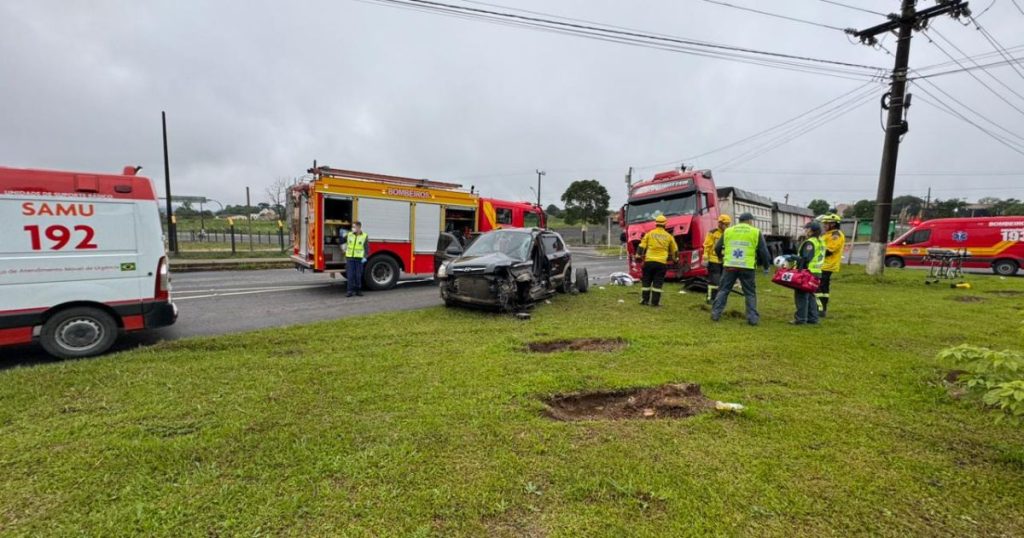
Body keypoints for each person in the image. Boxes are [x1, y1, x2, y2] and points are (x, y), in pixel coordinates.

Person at [710, 212, 771, 325]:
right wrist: (766, 266)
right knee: (750, 293)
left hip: (730, 266)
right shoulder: (755, 232)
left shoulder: (728, 231)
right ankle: (752, 319)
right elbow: (763, 251)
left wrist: (720, 258)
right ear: (749, 221)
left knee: (723, 290)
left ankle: (715, 314)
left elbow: (717, 247)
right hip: (747, 267)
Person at [635, 214, 679, 307]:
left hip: (649, 262)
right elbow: (674, 250)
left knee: (646, 281)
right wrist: (675, 260)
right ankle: (655, 303)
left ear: (656, 224)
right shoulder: (669, 236)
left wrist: (638, 255)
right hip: (661, 263)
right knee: (657, 283)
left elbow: (642, 245)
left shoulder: (649, 234)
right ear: (665, 224)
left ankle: (644, 300)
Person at [792, 221, 825, 325]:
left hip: (808, 272)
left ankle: (801, 319)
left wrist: (793, 258)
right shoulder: (820, 241)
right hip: (817, 272)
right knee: (810, 296)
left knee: (801, 296)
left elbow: (805, 258)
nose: (805, 230)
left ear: (811, 230)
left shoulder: (810, 242)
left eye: (806, 229)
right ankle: (813, 318)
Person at [818, 213, 845, 317]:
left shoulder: (836, 235)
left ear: (833, 224)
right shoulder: (827, 234)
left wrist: (813, 253)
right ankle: (819, 308)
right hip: (822, 265)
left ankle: (821, 309)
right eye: (824, 223)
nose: (824, 225)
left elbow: (829, 251)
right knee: (820, 287)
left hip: (827, 265)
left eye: (826, 223)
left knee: (821, 288)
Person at [703, 214, 731, 303]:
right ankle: (710, 298)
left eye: (728, 224)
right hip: (714, 260)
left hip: (725, 261)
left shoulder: (729, 233)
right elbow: (707, 245)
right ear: (720, 223)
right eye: (725, 224)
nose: (727, 226)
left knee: (722, 281)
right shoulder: (712, 232)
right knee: (714, 281)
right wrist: (705, 257)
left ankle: (719, 299)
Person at [344, 221, 369, 297]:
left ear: (359, 227)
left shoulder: (364, 236)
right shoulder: (349, 234)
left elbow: (366, 248)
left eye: (354, 227)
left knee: (358, 275)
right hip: (350, 258)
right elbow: (342, 241)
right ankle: (349, 291)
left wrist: (365, 257)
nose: (353, 228)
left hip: (359, 259)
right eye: (352, 227)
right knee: (350, 275)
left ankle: (358, 290)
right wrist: (344, 250)